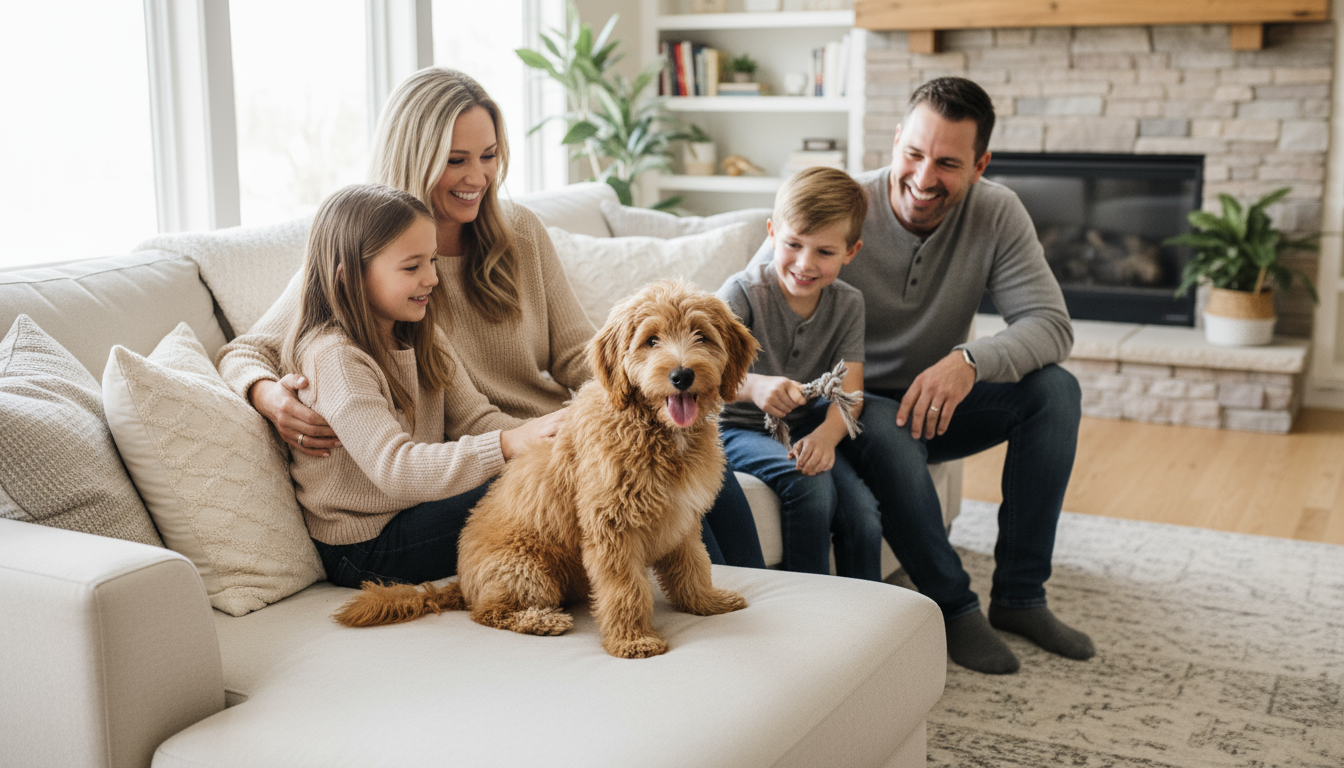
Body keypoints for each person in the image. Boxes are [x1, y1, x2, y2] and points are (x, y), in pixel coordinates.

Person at [217, 68, 764, 568]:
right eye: (456, 160)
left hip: (536, 433)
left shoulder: (519, 232)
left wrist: (647, 401)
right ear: (416, 158)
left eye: (489, 155)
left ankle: (765, 608)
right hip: (472, 463)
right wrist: (269, 396)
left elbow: (579, 353)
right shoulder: (368, 259)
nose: (477, 176)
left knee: (696, 462)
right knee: (642, 486)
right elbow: (248, 350)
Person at [749, 76, 1092, 674]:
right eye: (913, 153)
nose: (924, 177)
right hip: (843, 405)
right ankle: (954, 608)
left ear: (981, 164)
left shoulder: (997, 213)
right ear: (895, 142)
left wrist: (970, 361)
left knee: (1056, 392)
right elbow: (753, 296)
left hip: (934, 400)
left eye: (948, 163)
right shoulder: (840, 208)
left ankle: (1020, 597)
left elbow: (1051, 325)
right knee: (881, 424)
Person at [282, 183, 558, 585]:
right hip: (364, 545)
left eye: (432, 260)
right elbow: (396, 467)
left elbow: (474, 417)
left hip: (414, 510)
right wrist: (509, 445)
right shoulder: (335, 358)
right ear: (350, 278)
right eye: (412, 267)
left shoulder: (419, 330)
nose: (432, 277)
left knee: (551, 467)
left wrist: (548, 437)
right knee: (532, 487)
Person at [716, 167, 885, 581]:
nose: (805, 264)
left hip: (804, 426)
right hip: (734, 430)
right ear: (772, 233)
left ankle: (870, 616)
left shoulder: (848, 304)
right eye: (793, 244)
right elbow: (701, 374)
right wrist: (754, 386)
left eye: (825, 252)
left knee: (863, 515)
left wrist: (826, 437)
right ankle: (808, 610)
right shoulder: (741, 293)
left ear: (851, 251)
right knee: (808, 482)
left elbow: (851, 392)